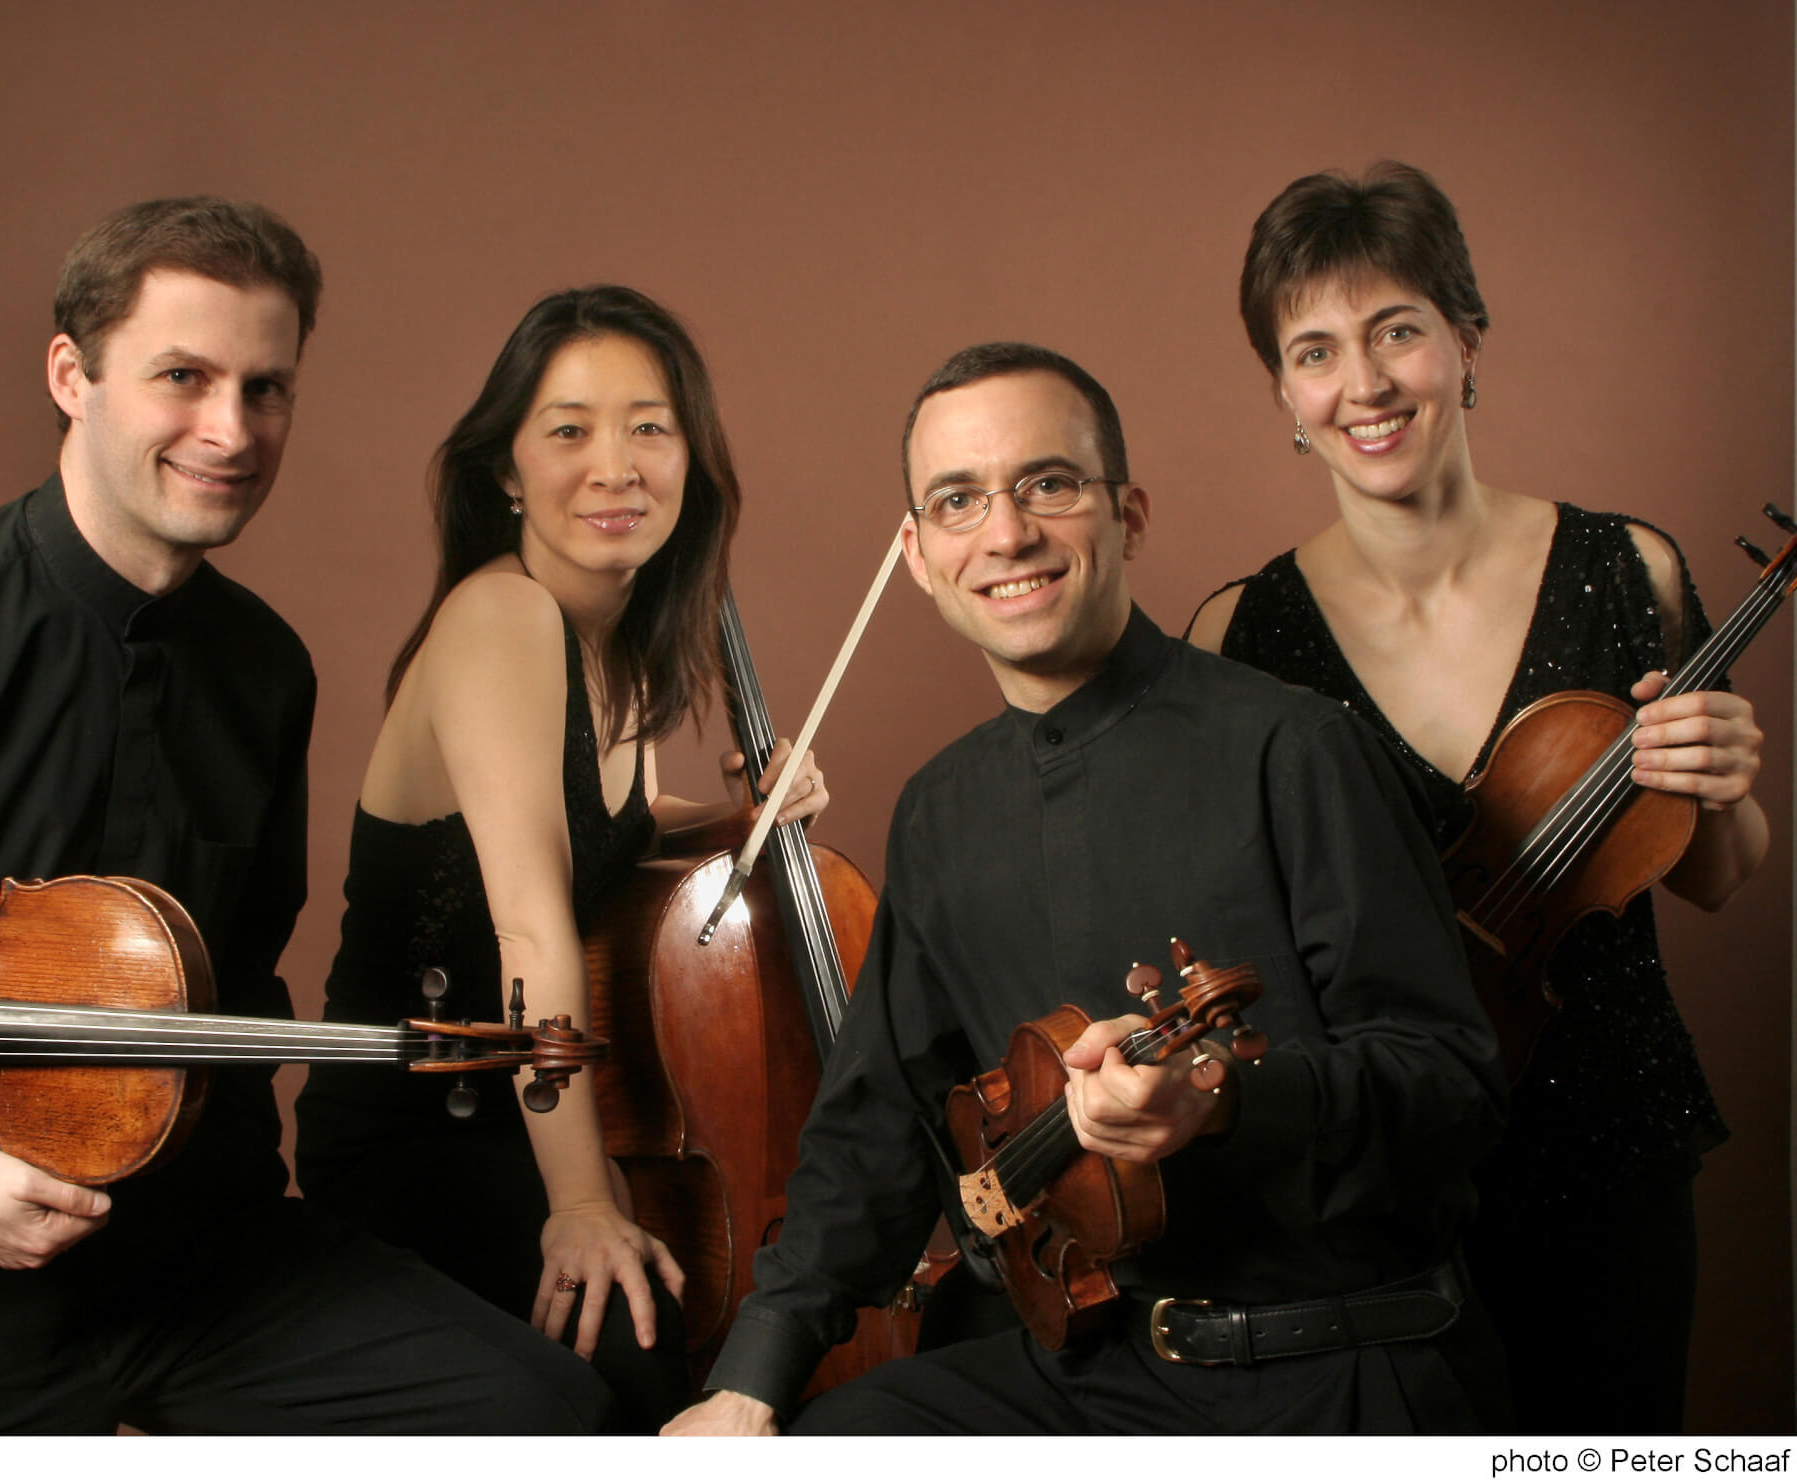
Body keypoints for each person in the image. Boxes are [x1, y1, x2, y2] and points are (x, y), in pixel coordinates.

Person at [0, 197, 613, 1434]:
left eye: (266, 389)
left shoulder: (264, 670)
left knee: (544, 1414)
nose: (230, 429)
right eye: (182, 376)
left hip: (177, 1260)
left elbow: (233, 995)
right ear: (72, 375)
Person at [662, 342, 1509, 1436]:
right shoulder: (940, 811)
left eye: (1047, 484)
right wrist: (750, 1380)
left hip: (1330, 1365)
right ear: (917, 555)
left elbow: (1451, 1084)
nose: (1006, 533)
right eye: (958, 500)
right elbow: (873, 1126)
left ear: (1128, 514)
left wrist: (1223, 1099)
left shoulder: (1296, 750)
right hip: (1087, 1366)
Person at [1183, 164, 1769, 1434]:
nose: (1363, 384)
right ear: (1283, 394)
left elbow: (1717, 876)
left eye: (1395, 329)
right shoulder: (1238, 637)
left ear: (1465, 338)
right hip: (1377, 1181)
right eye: (1314, 352)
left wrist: (1720, 785)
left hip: (1610, 1143)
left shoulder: (1627, 565)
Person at [294, 284, 826, 1432]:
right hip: (415, 1134)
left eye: (649, 427)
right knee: (625, 1373)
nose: (615, 466)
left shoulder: (616, 650)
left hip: (515, 1120)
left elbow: (607, 822)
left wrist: (740, 815)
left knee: (662, 1350)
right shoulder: (502, 617)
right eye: (570, 428)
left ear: (688, 458)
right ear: (506, 469)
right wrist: (581, 1199)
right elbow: (530, 920)